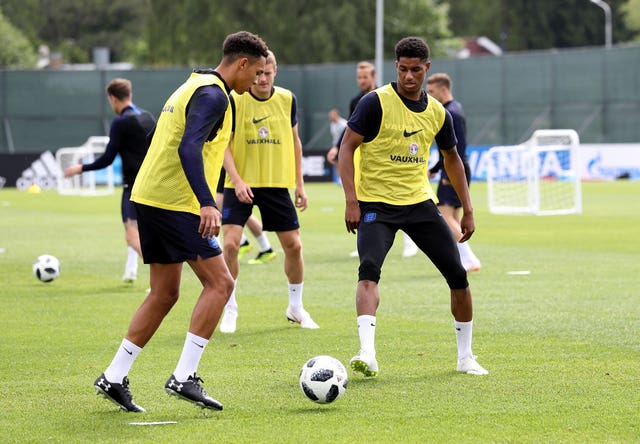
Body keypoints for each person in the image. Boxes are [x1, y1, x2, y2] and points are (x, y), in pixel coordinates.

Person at [92, 31, 269, 413]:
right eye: (255, 72)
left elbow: (166, 137)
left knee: (165, 293)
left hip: (150, 197)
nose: (256, 80)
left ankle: (114, 375)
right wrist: (207, 203)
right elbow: (189, 146)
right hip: (175, 203)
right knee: (221, 283)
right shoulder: (214, 94)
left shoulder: (193, 83)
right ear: (241, 63)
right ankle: (184, 376)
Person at [338, 36, 488, 378]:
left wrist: (468, 208)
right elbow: (347, 148)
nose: (409, 76)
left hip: (420, 203)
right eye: (403, 69)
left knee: (458, 276)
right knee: (369, 269)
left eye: (416, 70)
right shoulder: (374, 102)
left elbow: (452, 158)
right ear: (396, 67)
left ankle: (465, 358)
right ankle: (367, 352)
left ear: (427, 69)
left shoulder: (438, 112)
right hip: (376, 203)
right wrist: (351, 200)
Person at [218, 50, 319, 333]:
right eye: (258, 73)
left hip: (276, 184)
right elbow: (224, 144)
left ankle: (296, 307)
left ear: (276, 71)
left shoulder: (287, 99)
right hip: (240, 185)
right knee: (230, 245)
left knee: (294, 246)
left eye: (268, 73)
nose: (262, 78)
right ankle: (230, 307)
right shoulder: (235, 100)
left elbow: (296, 142)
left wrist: (299, 184)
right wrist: (236, 180)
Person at [64, 78, 156, 284]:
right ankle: (131, 270)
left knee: (132, 238)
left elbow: (107, 159)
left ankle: (160, 279)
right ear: (129, 94)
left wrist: (80, 168)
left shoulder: (121, 122)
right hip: (155, 187)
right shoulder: (149, 117)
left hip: (134, 188)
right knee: (146, 234)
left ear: (113, 99)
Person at [328, 61, 418, 258]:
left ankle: (410, 241)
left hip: (389, 156)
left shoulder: (384, 97)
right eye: (359, 77)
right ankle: (365, 243)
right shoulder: (356, 101)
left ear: (373, 77)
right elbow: (351, 128)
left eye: (365, 77)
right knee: (363, 197)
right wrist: (336, 147)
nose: (361, 81)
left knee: (397, 195)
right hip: (365, 156)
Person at [427, 73, 481, 272]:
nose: (430, 96)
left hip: (454, 170)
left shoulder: (451, 112)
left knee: (444, 214)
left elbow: (454, 150)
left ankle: (470, 258)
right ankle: (462, 259)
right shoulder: (455, 108)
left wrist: (445, 174)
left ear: (443, 89)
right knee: (454, 217)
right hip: (456, 168)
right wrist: (435, 169)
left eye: (432, 92)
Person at [215, 168, 276, 264]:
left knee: (218, 210)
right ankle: (262, 246)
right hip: (233, 169)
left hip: (229, 168)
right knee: (235, 212)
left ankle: (217, 255)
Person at [326, 108, 347, 184]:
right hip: (336, 147)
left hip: (344, 146)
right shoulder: (332, 125)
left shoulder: (344, 124)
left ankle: (345, 178)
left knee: (343, 162)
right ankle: (340, 179)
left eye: (332, 115)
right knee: (336, 162)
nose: (330, 116)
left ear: (336, 115)